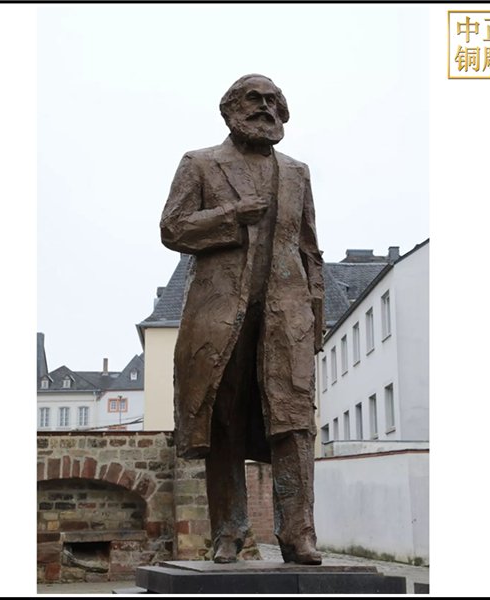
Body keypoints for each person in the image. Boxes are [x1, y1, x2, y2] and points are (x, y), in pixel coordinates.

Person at [160, 74, 324, 565]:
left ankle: (299, 533)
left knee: (295, 422)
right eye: (254, 98)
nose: (265, 107)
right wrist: (233, 214)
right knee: (224, 419)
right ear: (230, 109)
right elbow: (172, 228)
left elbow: (310, 249)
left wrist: (315, 316)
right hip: (219, 315)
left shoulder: (296, 173)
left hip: (286, 315)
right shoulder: (200, 163)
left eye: (274, 101)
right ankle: (228, 532)